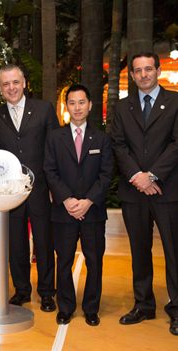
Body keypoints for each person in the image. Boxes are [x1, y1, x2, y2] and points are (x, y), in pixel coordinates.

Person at [110, 52, 178, 336]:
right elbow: (117, 144)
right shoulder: (122, 107)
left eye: (148, 69)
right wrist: (137, 177)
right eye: (138, 70)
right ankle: (143, 304)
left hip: (167, 189)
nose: (143, 74)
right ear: (133, 75)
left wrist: (151, 175)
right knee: (139, 251)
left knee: (174, 252)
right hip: (134, 191)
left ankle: (176, 309)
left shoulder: (175, 102)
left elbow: (177, 143)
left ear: (158, 70)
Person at [0, 64, 59, 312]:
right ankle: (21, 290)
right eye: (5, 84)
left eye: (15, 82)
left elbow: (55, 149)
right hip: (10, 193)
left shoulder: (44, 109)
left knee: (44, 242)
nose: (11, 88)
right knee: (15, 242)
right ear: (0, 88)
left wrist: (54, 187)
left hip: (41, 189)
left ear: (24, 83)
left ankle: (47, 292)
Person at [44, 84, 113, 326]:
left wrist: (88, 201)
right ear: (66, 106)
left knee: (95, 261)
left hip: (93, 211)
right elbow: (49, 171)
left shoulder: (102, 138)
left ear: (90, 105)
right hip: (64, 212)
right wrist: (68, 200)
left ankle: (91, 308)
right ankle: (65, 307)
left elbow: (106, 174)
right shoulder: (55, 137)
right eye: (72, 103)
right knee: (63, 261)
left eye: (81, 102)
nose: (77, 107)